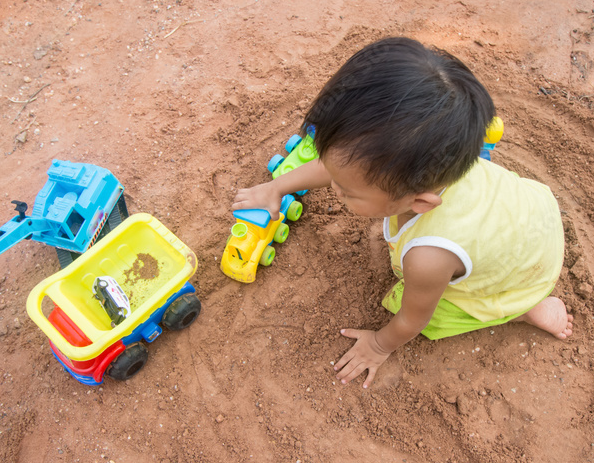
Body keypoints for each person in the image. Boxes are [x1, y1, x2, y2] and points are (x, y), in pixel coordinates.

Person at [232, 37, 572, 388]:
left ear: (420, 203)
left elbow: (413, 319)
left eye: (346, 191)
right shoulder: (440, 157)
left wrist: (379, 345)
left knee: (433, 312)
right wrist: (276, 188)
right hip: (531, 217)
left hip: (520, 273)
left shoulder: (429, 256)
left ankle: (523, 310)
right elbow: (339, 166)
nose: (334, 187)